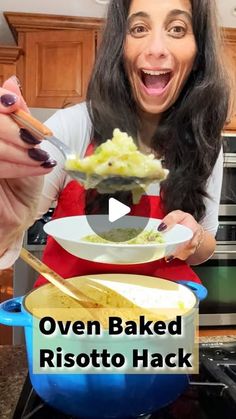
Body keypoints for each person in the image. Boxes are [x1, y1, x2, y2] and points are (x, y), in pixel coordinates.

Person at [0, 0, 230, 287]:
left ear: (198, 54)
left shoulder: (204, 140)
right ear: (120, 47)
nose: (156, 48)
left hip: (163, 318)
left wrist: (193, 237)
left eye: (177, 28)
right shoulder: (74, 125)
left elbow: (206, 242)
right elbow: (11, 222)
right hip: (70, 318)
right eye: (139, 28)